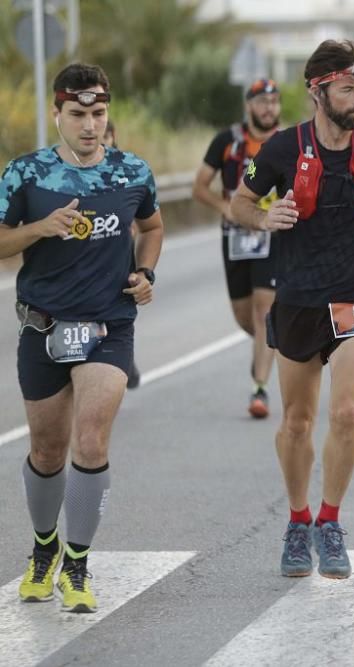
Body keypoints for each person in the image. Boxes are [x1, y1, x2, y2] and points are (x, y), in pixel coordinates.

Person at [228, 40, 354, 579]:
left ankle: (330, 521)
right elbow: (240, 202)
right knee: (297, 422)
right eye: (348, 88)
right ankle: (298, 519)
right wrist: (266, 217)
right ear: (318, 90)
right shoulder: (283, 149)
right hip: (300, 297)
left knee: (348, 413)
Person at [1, 63, 163, 613]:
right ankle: (44, 547)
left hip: (108, 326)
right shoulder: (26, 174)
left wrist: (146, 274)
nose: (90, 125)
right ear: (57, 115)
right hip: (42, 327)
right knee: (47, 451)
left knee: (90, 441)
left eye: (98, 114)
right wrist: (39, 230)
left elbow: (154, 225)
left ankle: (77, 563)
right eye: (78, 115)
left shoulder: (131, 171)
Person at [193, 78, 282, 418]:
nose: (268, 108)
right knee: (246, 317)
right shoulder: (227, 141)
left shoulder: (286, 143)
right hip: (235, 236)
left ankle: (259, 389)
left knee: (264, 311)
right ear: (249, 106)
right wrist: (225, 207)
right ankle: (263, 349)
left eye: (273, 102)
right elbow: (199, 186)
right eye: (261, 102)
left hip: (272, 234)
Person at [101, 120, 143, 391]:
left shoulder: (126, 169)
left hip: (120, 254)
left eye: (105, 133)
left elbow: (143, 221)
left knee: (114, 314)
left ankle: (123, 360)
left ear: (112, 135)